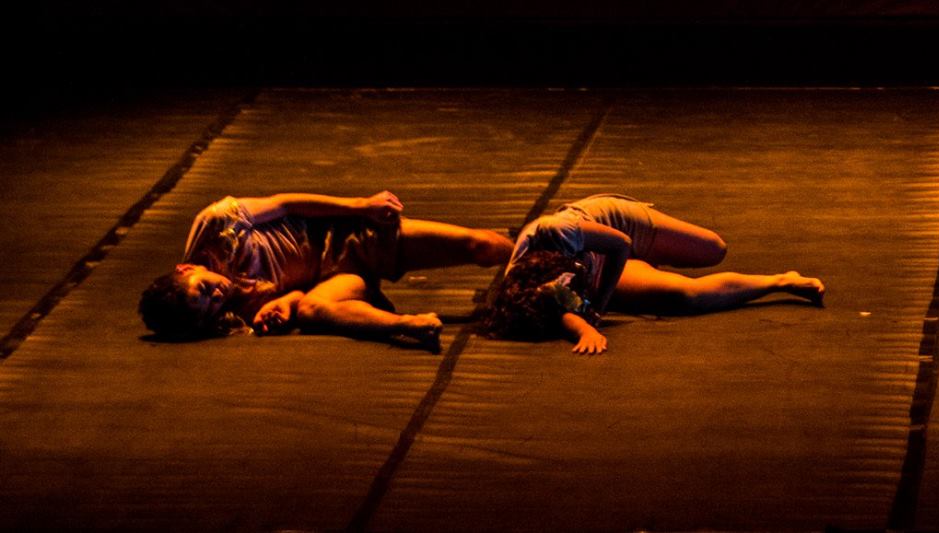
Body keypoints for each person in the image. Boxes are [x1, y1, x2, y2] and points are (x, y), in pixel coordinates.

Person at [137, 191, 512, 347]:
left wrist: (360, 206)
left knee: (481, 247)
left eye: (205, 289)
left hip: (346, 239)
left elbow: (285, 204)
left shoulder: (214, 225)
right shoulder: (228, 316)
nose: (218, 295)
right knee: (312, 309)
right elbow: (297, 297)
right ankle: (409, 326)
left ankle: (535, 256)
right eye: (212, 306)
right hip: (336, 280)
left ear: (186, 268)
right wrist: (284, 306)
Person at [484, 194, 823, 354]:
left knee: (714, 249)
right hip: (600, 265)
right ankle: (781, 280)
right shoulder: (528, 291)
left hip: (616, 226)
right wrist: (585, 327)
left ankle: (652, 250)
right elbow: (564, 315)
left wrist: (599, 304)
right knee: (686, 296)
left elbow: (620, 245)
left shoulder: (559, 231)